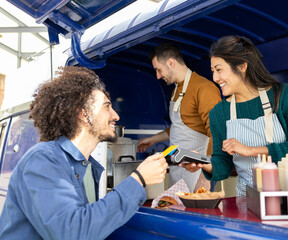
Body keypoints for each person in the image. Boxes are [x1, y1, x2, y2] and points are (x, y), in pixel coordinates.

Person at [0, 66, 168, 239]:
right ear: (83, 114)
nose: (116, 115)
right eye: (107, 106)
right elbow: (73, 232)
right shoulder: (43, 160)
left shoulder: (87, 167)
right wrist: (138, 179)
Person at [182, 35, 288, 196]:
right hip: (248, 200)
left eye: (219, 70)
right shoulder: (219, 113)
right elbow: (223, 163)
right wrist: (204, 163)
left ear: (242, 66)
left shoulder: (285, 95)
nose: (215, 78)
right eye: (213, 71)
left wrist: (251, 150)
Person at [137, 43, 221, 192]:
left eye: (158, 70)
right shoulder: (176, 90)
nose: (157, 76)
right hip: (179, 172)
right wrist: (151, 140)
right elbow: (179, 127)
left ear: (171, 63)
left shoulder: (204, 88)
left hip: (198, 172)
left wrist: (206, 175)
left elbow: (218, 130)